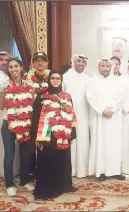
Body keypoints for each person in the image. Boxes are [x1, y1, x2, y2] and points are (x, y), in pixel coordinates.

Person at [32, 70, 78, 200]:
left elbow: (71, 115)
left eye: (58, 78)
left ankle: (63, 186)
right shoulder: (42, 96)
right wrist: (36, 137)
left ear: (61, 80)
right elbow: (35, 117)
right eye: (53, 78)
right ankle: (46, 190)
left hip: (63, 134)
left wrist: (72, 134)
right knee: (47, 160)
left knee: (63, 160)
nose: (56, 80)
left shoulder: (67, 96)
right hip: (47, 135)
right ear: (49, 80)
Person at [0, 58, 35, 196]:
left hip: (26, 123)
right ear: (8, 70)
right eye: (10, 67)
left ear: (21, 67)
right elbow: (1, 106)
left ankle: (24, 180)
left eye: (16, 66)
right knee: (9, 155)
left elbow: (32, 103)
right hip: (9, 124)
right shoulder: (3, 85)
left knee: (25, 154)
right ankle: (9, 184)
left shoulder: (28, 84)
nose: (13, 69)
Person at [86, 57, 125, 181]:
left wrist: (112, 110)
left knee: (114, 144)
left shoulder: (118, 81)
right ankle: (101, 171)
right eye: (102, 66)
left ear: (111, 67)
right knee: (100, 143)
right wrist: (102, 110)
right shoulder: (93, 81)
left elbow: (121, 98)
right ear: (99, 67)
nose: (105, 68)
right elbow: (90, 98)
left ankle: (114, 171)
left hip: (114, 117)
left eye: (107, 66)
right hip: (99, 117)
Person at [63, 54, 91, 178]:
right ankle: (69, 170)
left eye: (83, 62)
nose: (80, 64)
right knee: (71, 142)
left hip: (84, 115)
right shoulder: (65, 77)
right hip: (68, 114)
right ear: (73, 62)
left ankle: (82, 170)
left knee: (83, 141)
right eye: (78, 61)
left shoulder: (88, 79)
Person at [24, 51, 50, 178]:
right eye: (37, 60)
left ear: (47, 63)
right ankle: (31, 171)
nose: (40, 63)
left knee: (46, 142)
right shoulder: (26, 79)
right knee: (31, 145)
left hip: (48, 116)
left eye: (43, 60)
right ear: (33, 63)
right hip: (31, 115)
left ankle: (45, 170)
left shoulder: (52, 77)